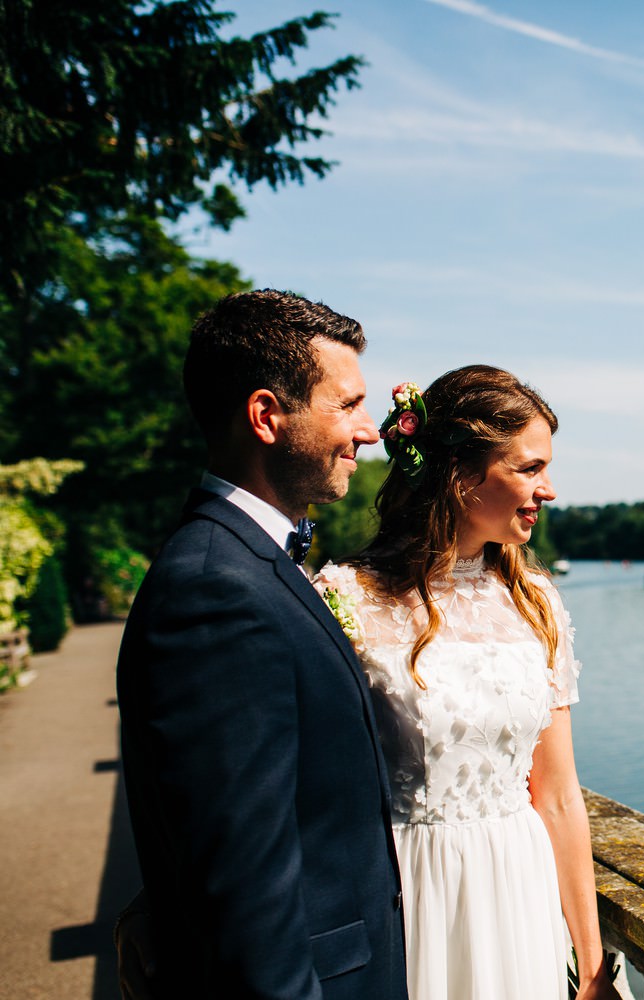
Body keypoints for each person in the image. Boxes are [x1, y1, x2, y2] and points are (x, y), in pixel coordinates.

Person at [116, 290, 408, 999]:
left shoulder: (247, 562)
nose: (370, 433)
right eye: (347, 405)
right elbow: (245, 892)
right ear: (266, 416)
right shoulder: (217, 592)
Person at [312, 365, 626, 1000]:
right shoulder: (343, 598)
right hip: (405, 893)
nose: (549, 489)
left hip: (518, 892)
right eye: (529, 468)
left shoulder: (537, 604)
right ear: (460, 476)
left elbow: (559, 797)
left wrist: (590, 968)